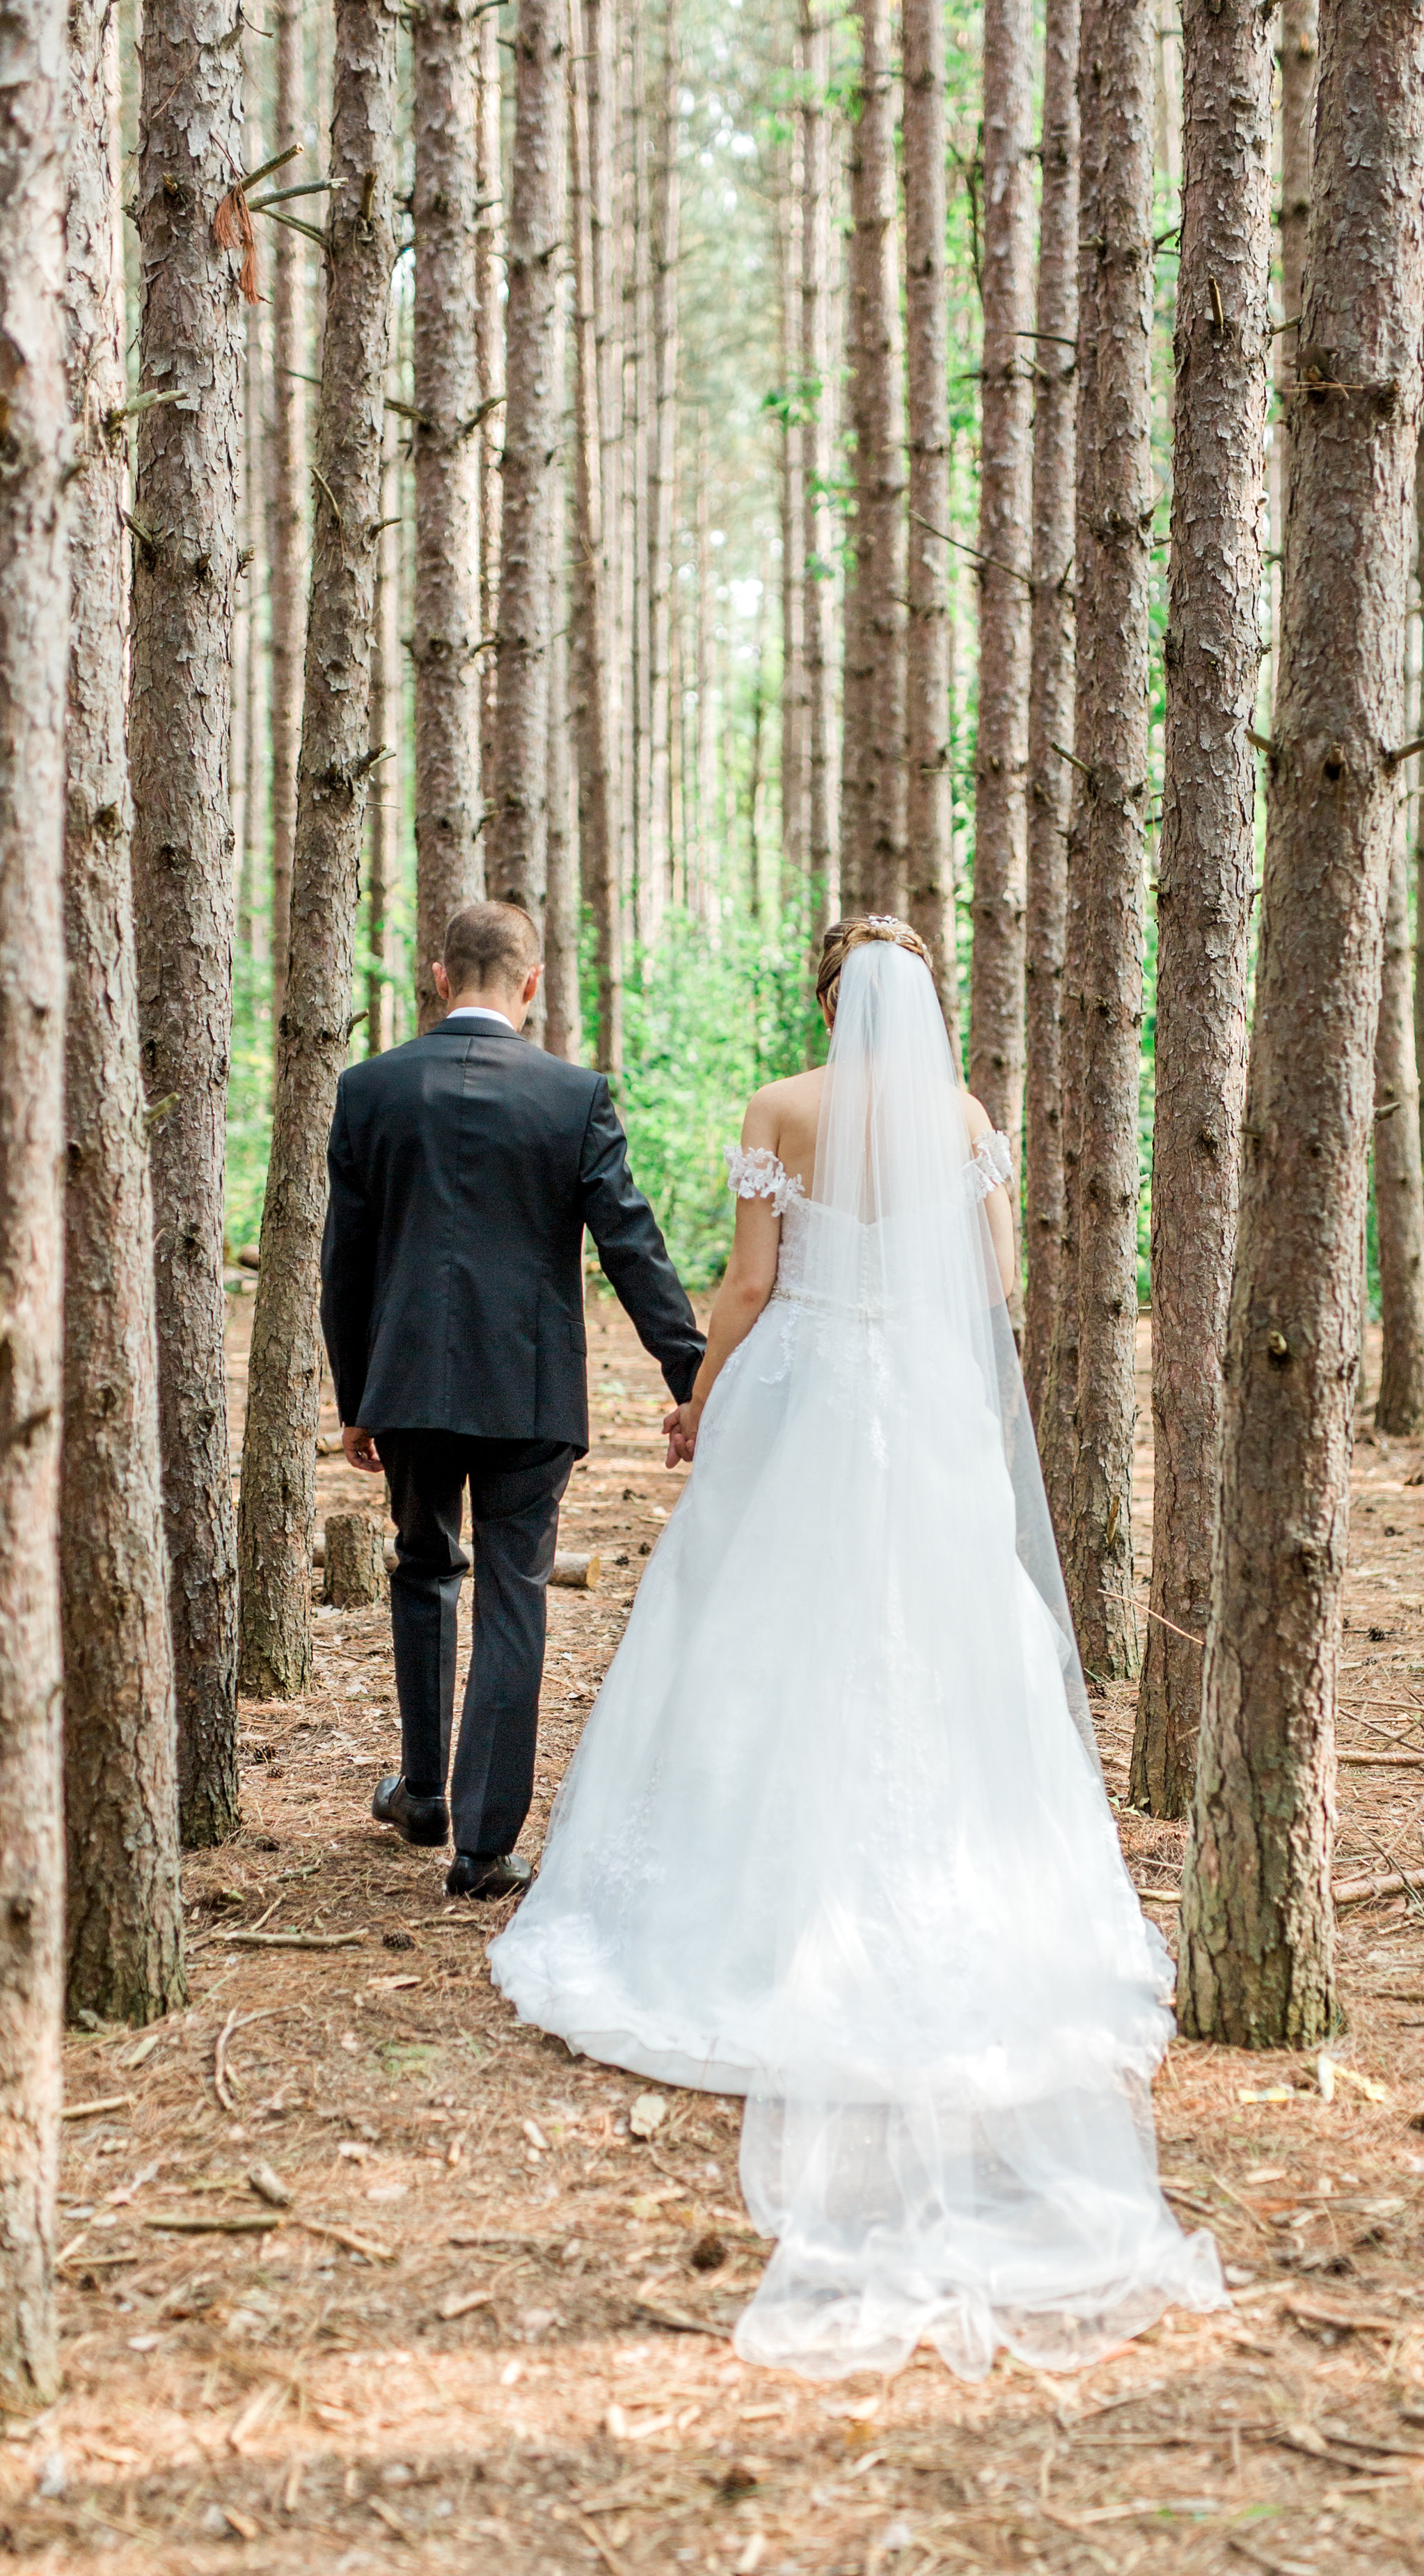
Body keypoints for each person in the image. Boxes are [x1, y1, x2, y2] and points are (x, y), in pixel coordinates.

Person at [491, 916, 1224, 2380]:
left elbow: (752, 1287)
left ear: (826, 998)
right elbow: (994, 1293)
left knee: (754, 1638)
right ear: (924, 1007)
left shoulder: (782, 1107)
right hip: (928, 1405)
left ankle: (747, 1920)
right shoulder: (962, 1121)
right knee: (950, 1643)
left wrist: (698, 1396)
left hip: (812, 1391)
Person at [319, 900, 704, 1900]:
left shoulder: (370, 1089)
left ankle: (422, 1790)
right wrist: (694, 1379)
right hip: (530, 1389)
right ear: (530, 983)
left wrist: (356, 1394)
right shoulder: (573, 1096)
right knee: (513, 1591)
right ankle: (482, 1844)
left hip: (404, 1382)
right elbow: (633, 1246)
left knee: (421, 1567)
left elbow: (344, 1263)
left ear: (439, 976)